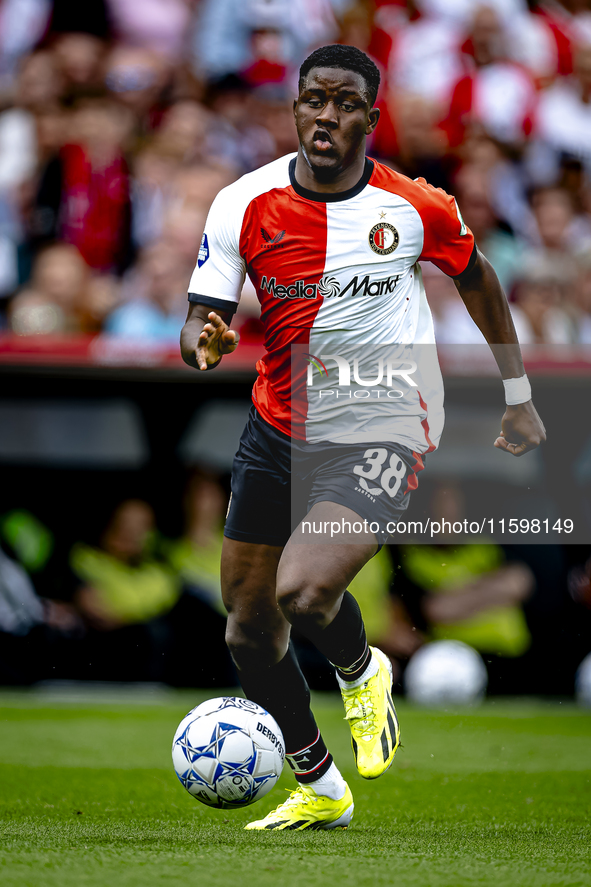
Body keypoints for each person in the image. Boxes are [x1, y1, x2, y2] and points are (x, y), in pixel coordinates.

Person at [180, 44, 545, 831]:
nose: (325, 114)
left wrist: (517, 393)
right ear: (296, 108)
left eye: (344, 103)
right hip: (277, 425)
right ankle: (320, 784)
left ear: (368, 120)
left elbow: (477, 277)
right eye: (314, 98)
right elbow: (197, 319)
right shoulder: (241, 202)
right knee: (247, 628)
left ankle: (359, 666)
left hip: (382, 417)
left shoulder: (413, 207)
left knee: (305, 590)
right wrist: (203, 340)